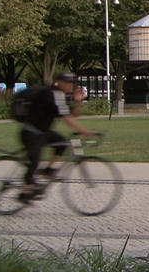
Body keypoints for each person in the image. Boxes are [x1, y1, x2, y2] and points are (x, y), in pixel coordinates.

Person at [18, 71, 95, 203]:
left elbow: (71, 114)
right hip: (31, 132)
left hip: (44, 132)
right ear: (59, 82)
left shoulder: (59, 95)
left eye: (72, 82)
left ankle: (48, 169)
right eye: (68, 82)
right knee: (34, 161)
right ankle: (24, 191)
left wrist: (77, 101)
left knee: (62, 144)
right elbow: (67, 118)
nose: (71, 85)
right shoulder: (52, 94)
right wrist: (84, 131)